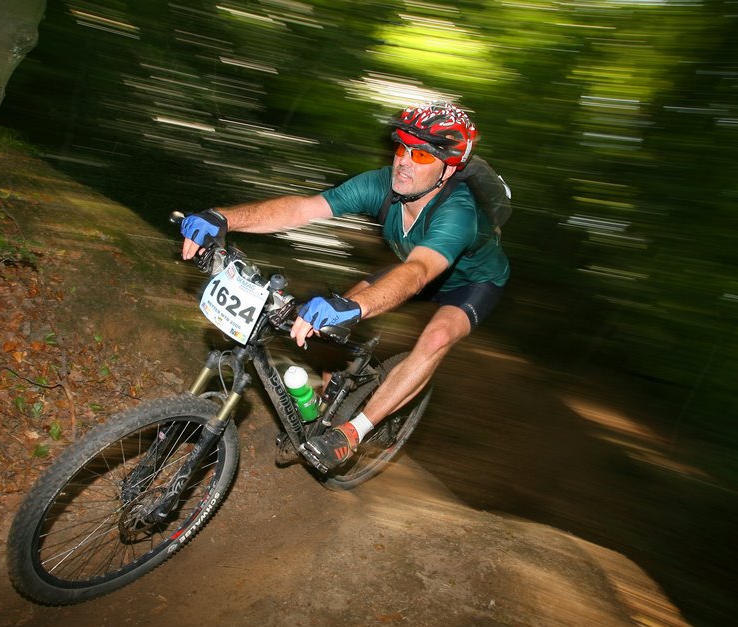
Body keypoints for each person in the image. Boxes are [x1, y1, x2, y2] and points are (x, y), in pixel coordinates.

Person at [179, 101, 510, 472]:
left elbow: (418, 272)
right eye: (402, 147)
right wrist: (224, 217)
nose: (403, 161)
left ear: (449, 169)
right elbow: (302, 209)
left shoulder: (458, 213)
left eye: (420, 155)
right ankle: (326, 396)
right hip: (413, 265)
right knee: (331, 312)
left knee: (435, 337)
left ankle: (354, 432)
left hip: (470, 282)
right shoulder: (381, 184)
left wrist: (359, 308)